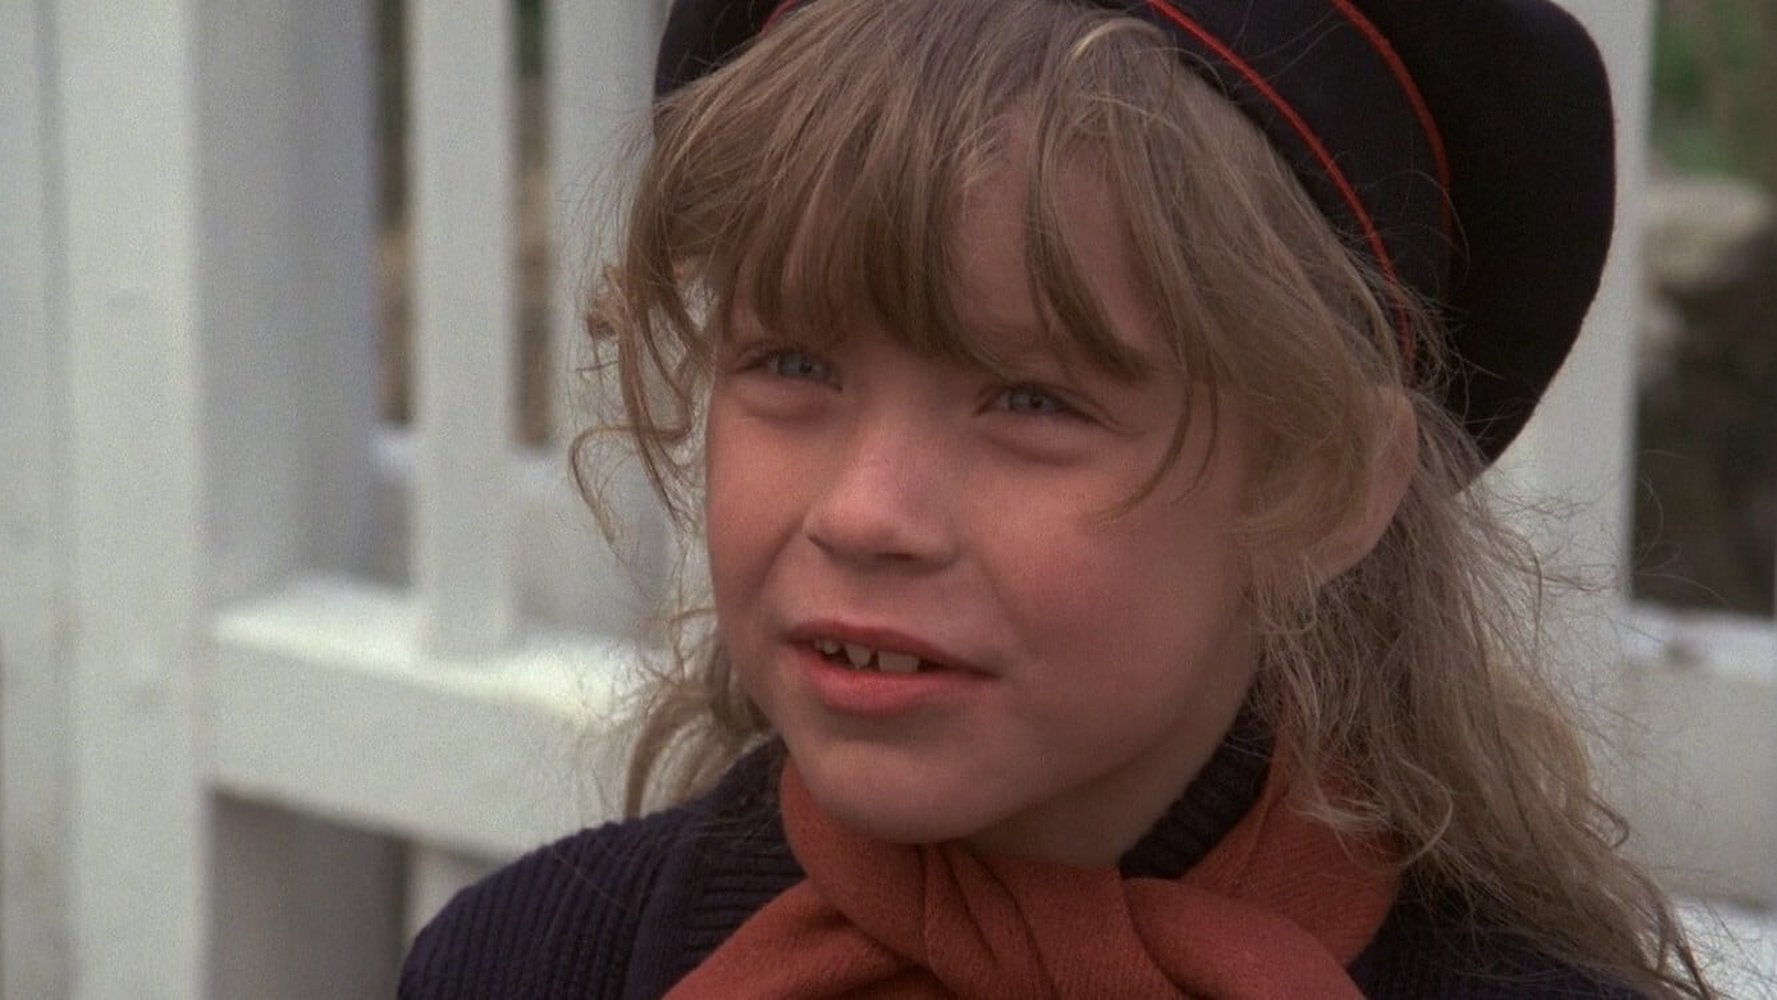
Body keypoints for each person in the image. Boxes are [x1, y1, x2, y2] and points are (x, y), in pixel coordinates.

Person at [402, 0, 1716, 996]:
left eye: (1032, 401)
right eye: (792, 366)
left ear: (1324, 489)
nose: (864, 513)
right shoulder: (537, 962)